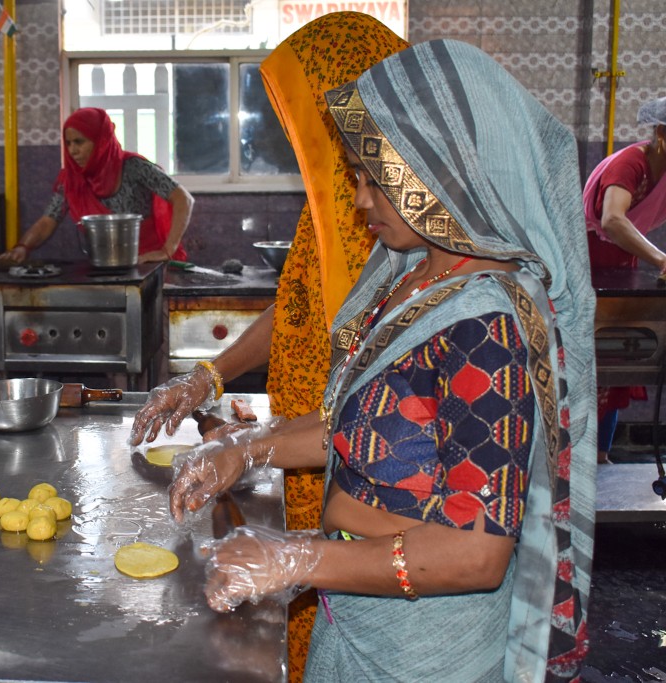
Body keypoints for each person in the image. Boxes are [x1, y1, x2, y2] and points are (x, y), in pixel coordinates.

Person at [166, 39, 596, 680]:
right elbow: (358, 424)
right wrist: (245, 449)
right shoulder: (414, 277)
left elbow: (473, 554)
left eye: (377, 180)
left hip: (422, 653)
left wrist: (297, 559)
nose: (361, 201)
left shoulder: (489, 325)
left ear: (442, 171)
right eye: (358, 178)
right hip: (359, 620)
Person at [128, 13, 408, 682]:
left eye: (307, 112)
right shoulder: (341, 203)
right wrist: (208, 380)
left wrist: (254, 452)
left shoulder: (401, 225)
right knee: (312, 640)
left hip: (374, 490)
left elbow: (458, 544)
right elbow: (300, 309)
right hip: (311, 450)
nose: (299, 134)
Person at [0, 107, 193, 265]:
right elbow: (49, 220)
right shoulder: (72, 180)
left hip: (148, 264)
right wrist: (23, 247)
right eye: (68, 143)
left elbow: (183, 199)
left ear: (101, 141)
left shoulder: (133, 167)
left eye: (79, 142)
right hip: (105, 266)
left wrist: (167, 250)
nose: (73, 150)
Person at [582, 95, 666, 463]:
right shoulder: (632, 162)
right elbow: (613, 220)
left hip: (622, 265)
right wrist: (662, 258)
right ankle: (579, 458)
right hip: (588, 261)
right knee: (591, 361)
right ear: (662, 135)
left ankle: (601, 456)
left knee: (619, 360)